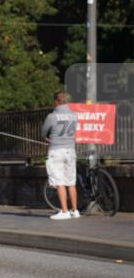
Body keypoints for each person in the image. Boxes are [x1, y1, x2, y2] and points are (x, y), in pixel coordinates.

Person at [41, 90, 80, 220]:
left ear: (56, 101)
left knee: (59, 181)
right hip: (70, 150)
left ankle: (64, 211)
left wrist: (47, 138)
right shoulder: (74, 116)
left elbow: (43, 132)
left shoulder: (52, 116)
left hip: (56, 151)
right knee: (71, 182)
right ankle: (75, 210)